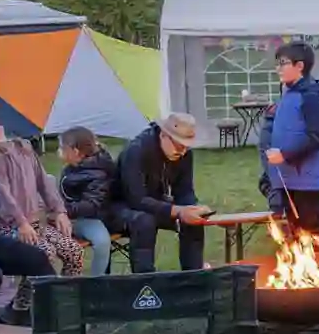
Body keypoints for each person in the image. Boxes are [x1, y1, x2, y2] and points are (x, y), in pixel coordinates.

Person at [112, 114, 212, 272]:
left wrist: (192, 209)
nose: (184, 152)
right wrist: (177, 211)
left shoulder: (184, 154)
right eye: (180, 146)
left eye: (188, 146)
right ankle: (146, 284)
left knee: (192, 221)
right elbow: (135, 199)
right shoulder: (136, 150)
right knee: (145, 221)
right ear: (164, 135)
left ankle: (193, 276)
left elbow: (184, 190)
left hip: (153, 202)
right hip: (120, 206)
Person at [0, 127, 85, 277]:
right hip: (5, 226)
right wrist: (21, 223)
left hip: (35, 223)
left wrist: (59, 211)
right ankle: (30, 299)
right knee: (44, 254)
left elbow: (43, 182)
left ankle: (67, 294)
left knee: (74, 251)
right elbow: (3, 195)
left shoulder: (24, 149)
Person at [261, 40, 319, 230]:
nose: (278, 68)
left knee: (309, 235)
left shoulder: (311, 96)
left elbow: (317, 136)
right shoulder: (288, 94)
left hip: (306, 182)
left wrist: (285, 154)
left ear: (300, 66)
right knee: (294, 236)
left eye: (283, 63)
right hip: (287, 179)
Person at [57, 127, 117, 275]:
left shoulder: (98, 173)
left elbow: (91, 205)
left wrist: (63, 211)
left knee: (102, 241)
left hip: (89, 217)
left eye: (62, 148)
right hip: (67, 215)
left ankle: (96, 282)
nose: (59, 151)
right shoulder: (75, 167)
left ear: (76, 152)